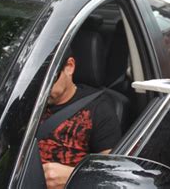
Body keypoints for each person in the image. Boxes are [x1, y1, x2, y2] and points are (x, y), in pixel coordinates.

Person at [38, 48, 121, 189]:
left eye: (48, 80)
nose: (41, 89)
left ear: (69, 67)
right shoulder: (24, 102)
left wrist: (74, 176)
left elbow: (111, 175)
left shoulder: (99, 108)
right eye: (36, 81)